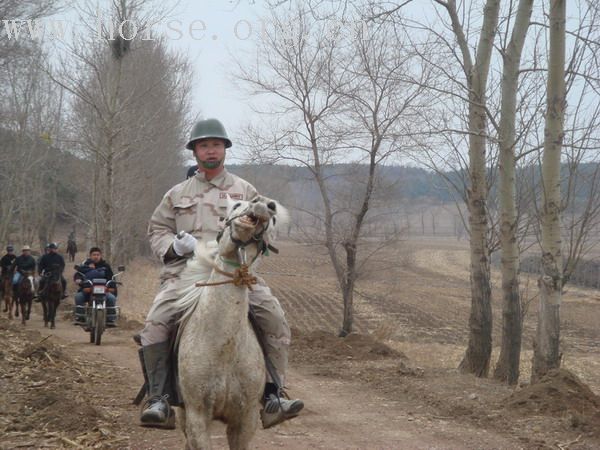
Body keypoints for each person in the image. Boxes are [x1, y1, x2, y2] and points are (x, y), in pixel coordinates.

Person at [138, 118, 303, 429]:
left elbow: (266, 229)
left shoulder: (245, 191)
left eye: (215, 144)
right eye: (204, 145)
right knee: (156, 322)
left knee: (274, 318)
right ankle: (159, 399)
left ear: (224, 149)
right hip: (186, 276)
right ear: (195, 152)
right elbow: (156, 229)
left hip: (236, 275)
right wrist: (175, 245)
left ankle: (273, 395)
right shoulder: (176, 193)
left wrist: (258, 236)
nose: (210, 150)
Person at [73, 247, 117, 325]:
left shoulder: (106, 266)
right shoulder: (85, 265)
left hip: (103, 291)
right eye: (94, 255)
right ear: (90, 256)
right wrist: (78, 280)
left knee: (112, 298)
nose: (96, 256)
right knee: (78, 297)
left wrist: (111, 286)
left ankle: (110, 319)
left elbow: (111, 278)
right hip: (88, 290)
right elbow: (78, 274)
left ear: (101, 256)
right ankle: (80, 317)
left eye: (98, 255)